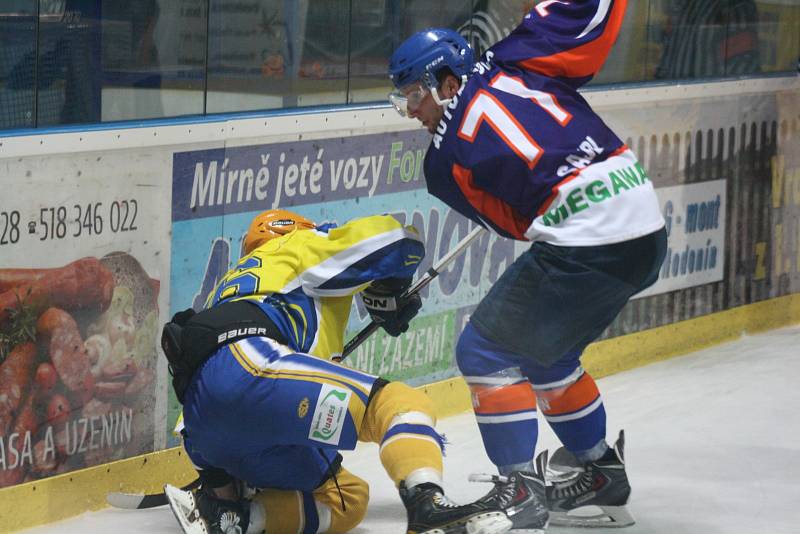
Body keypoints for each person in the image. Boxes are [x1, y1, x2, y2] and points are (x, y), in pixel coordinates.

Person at [388, 0, 667, 529]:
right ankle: (601, 470)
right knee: (547, 353)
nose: (412, 112)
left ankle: (517, 492)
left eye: (414, 96)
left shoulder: (442, 164)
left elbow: (511, 225)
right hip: (645, 225)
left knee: (485, 349)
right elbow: (595, 18)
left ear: (447, 83)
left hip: (591, 240)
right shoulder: (517, 56)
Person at [162, 209, 514, 534]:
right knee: (397, 404)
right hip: (251, 366)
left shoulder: (231, 289)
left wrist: (219, 478)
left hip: (201, 426)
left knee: (347, 500)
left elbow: (203, 416)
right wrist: (389, 288)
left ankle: (230, 516)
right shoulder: (297, 245)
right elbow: (400, 240)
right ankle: (428, 506)